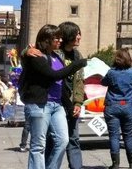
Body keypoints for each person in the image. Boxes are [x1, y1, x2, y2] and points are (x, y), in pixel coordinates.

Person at [19, 24, 87, 169]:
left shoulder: (60, 55)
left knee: (64, 140)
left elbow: (76, 81)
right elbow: (53, 75)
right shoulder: (38, 54)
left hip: (59, 103)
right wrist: (25, 51)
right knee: (39, 144)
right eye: (57, 38)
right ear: (47, 39)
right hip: (40, 103)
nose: (60, 40)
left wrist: (76, 103)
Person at [49, 21, 85, 169]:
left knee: (74, 138)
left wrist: (78, 103)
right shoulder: (55, 53)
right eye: (76, 34)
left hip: (72, 103)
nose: (79, 37)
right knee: (54, 139)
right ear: (68, 35)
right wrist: (27, 51)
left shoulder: (78, 55)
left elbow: (79, 81)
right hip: (57, 102)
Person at [102, 49, 132, 169]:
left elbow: (103, 82)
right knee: (128, 135)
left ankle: (115, 164)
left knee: (114, 136)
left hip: (112, 105)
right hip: (128, 105)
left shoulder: (111, 72)